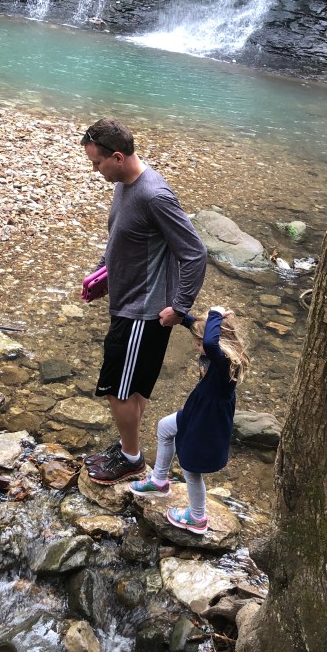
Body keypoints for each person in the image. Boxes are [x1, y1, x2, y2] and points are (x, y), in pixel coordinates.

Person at [80, 118, 207, 485]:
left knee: (117, 388)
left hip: (142, 313)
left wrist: (180, 306)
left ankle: (132, 459)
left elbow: (195, 254)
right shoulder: (124, 183)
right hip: (128, 302)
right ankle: (127, 446)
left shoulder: (154, 196)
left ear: (118, 157)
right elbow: (121, 236)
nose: (94, 169)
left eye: (97, 163)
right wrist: (102, 271)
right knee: (131, 386)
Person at [129, 306, 250, 534]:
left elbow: (210, 343)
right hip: (198, 411)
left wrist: (214, 313)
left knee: (191, 470)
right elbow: (201, 331)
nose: (197, 347)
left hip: (207, 422)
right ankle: (159, 481)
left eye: (198, 343)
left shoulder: (223, 361)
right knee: (165, 427)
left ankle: (197, 518)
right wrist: (180, 317)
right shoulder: (218, 351)